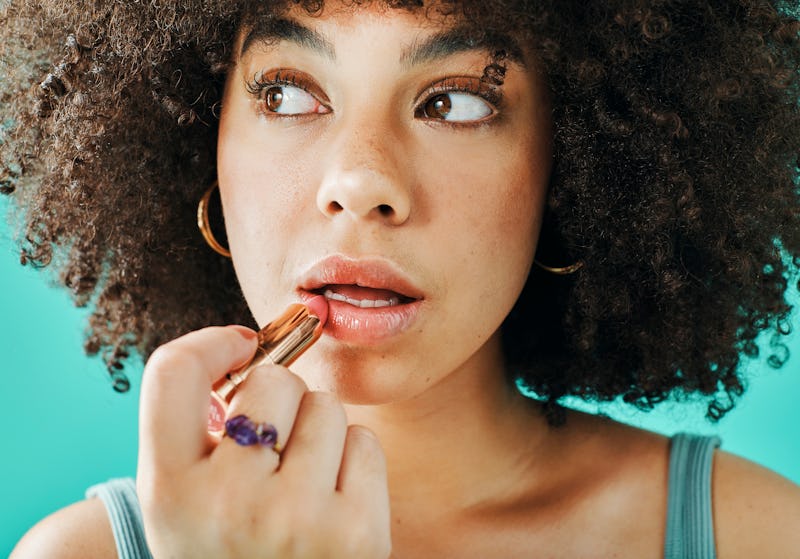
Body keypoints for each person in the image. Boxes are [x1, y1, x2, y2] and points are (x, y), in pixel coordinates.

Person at [4, 0, 800, 557]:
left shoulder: (758, 537)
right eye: (286, 92)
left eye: (455, 103)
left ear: (575, 163)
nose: (359, 179)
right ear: (200, 135)